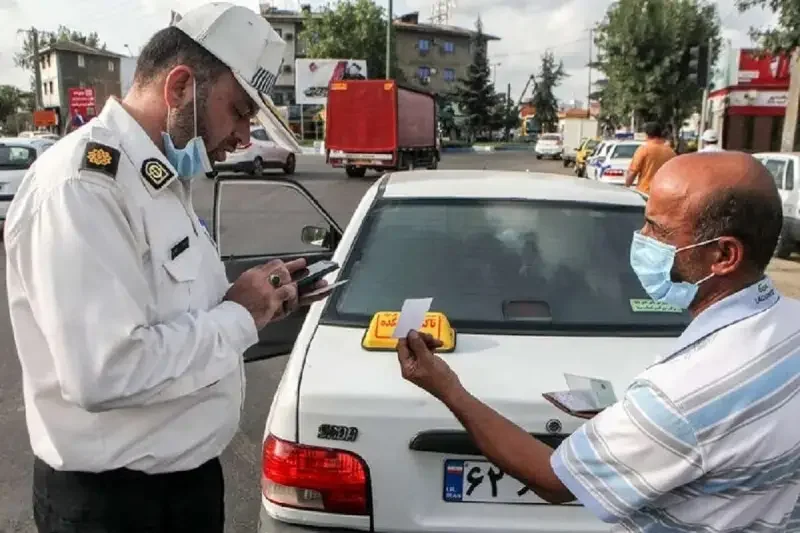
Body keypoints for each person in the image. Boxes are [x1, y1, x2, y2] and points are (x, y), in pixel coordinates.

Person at [4, 4, 321, 533]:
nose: (244, 137)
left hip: (182, 489)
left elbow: (175, 312)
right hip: (115, 506)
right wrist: (239, 316)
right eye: (240, 111)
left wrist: (254, 300)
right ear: (179, 88)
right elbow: (105, 372)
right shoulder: (83, 186)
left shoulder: (159, 178)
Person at [396, 151, 800, 532]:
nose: (640, 239)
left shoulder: (681, 395)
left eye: (657, 230)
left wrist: (447, 388)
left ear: (724, 255)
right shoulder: (792, 325)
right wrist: (634, 422)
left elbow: (553, 481)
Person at [625, 121, 676, 195]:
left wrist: (627, 187)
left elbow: (633, 172)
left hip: (645, 192)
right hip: (665, 193)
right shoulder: (671, 152)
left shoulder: (644, 150)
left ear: (647, 134)